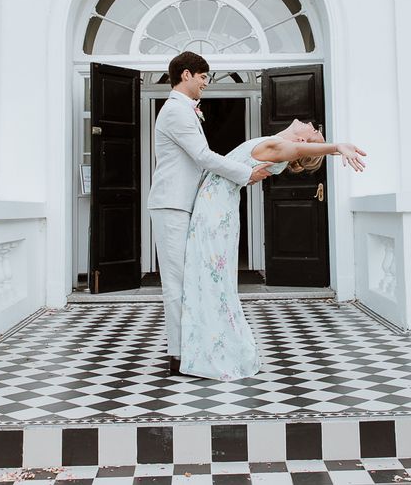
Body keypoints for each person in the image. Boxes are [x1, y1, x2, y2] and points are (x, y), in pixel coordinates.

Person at [180, 121, 366, 381]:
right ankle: (207, 347)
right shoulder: (276, 144)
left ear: (301, 143)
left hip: (214, 212)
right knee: (211, 281)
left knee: (212, 283)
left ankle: (216, 352)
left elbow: (298, 152)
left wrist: (336, 146)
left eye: (313, 131)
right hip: (215, 209)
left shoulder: (279, 147)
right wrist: (331, 149)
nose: (311, 124)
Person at [148, 52, 273, 376]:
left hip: (186, 204)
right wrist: (246, 173)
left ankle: (191, 349)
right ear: (186, 74)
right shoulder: (176, 111)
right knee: (176, 284)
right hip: (171, 204)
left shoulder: (185, 110)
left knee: (189, 280)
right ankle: (177, 356)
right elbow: (202, 156)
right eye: (203, 76)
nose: (206, 82)